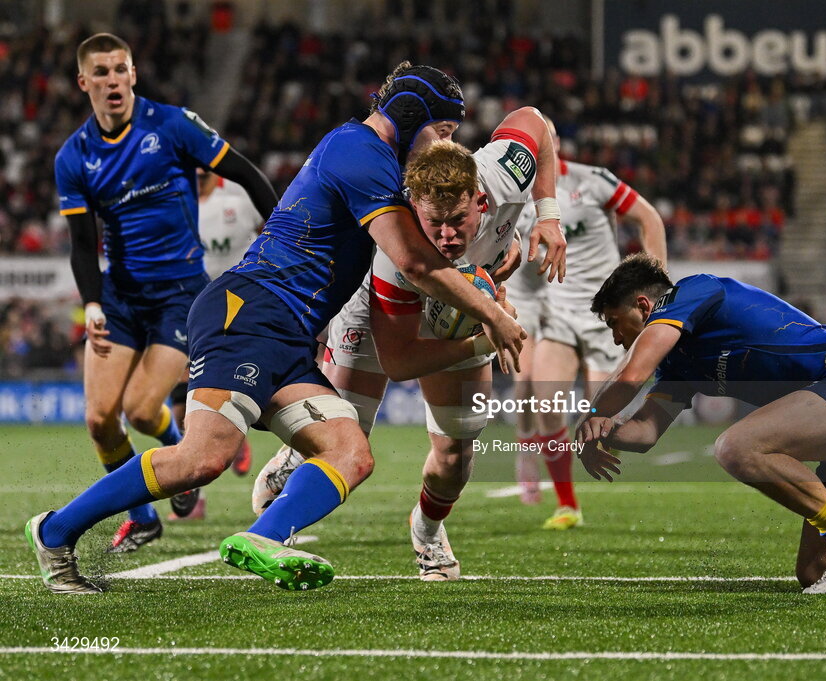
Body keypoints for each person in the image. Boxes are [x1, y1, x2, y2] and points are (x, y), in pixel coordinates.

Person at [26, 61, 526, 594]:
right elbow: (416, 261)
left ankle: (263, 537)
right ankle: (54, 531)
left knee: (350, 452)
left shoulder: (382, 162)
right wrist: (493, 314)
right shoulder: (357, 150)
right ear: (411, 116)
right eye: (443, 131)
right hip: (250, 310)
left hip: (286, 332)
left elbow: (437, 240)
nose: (446, 145)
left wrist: (505, 243)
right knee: (203, 460)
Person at [253, 107, 567, 581]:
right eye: (432, 222)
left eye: (456, 220)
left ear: (480, 200)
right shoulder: (399, 255)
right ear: (413, 206)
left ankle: (427, 529)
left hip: (465, 307)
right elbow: (400, 362)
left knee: (457, 454)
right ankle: (296, 464)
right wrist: (484, 339)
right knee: (342, 437)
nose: (444, 235)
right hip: (386, 303)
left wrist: (548, 215)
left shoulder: (504, 170)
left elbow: (536, 121)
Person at [574, 254, 826, 594]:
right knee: (814, 569)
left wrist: (592, 415)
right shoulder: (680, 367)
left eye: (614, 323)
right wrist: (605, 431)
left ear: (645, 306)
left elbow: (630, 374)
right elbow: (645, 432)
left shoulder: (692, 290)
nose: (615, 338)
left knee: (738, 447)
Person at [52, 33, 277, 552]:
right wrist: (91, 303)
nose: (112, 80)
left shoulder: (173, 125)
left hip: (180, 293)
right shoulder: (74, 157)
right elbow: (83, 245)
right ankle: (145, 514)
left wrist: (281, 231)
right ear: (83, 83)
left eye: (120, 69)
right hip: (120, 296)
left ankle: (175, 463)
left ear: (133, 75)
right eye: (101, 72)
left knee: (140, 406)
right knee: (98, 418)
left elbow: (244, 172)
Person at [504, 116, 666, 530]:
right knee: (545, 403)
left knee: (604, 418)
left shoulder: (592, 180)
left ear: (555, 145)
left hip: (605, 319)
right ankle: (567, 505)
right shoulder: (516, 198)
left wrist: (658, 286)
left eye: (548, 141)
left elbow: (649, 219)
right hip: (557, 311)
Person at [168, 169, 266, 486]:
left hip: (235, 301)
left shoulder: (239, 193)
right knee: (181, 396)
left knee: (228, 379)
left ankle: (233, 436)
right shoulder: (172, 197)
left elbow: (271, 229)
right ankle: (188, 488)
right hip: (188, 303)